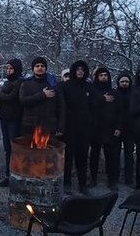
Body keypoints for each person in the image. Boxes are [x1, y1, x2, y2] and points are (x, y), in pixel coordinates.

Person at [58, 60, 93, 195]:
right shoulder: (64, 86)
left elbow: (94, 106)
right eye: (77, 69)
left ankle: (82, 184)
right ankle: (67, 183)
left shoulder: (89, 87)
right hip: (68, 128)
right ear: (73, 70)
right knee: (67, 158)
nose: (80, 71)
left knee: (82, 158)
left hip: (84, 129)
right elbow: (60, 106)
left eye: (82, 69)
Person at [0, 58, 24, 187]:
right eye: (7, 68)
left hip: (14, 119)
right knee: (7, 148)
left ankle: (16, 175)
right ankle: (8, 175)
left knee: (14, 149)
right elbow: (2, 100)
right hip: (4, 117)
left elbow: (11, 98)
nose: (8, 71)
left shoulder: (20, 82)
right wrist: (0, 96)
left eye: (11, 68)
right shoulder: (7, 82)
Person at [90, 67, 120, 191]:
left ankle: (111, 180)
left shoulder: (114, 93)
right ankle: (92, 178)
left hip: (110, 128)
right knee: (94, 155)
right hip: (95, 127)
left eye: (105, 75)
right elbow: (87, 105)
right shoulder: (92, 91)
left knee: (110, 155)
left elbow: (120, 112)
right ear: (97, 77)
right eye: (101, 75)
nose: (103, 77)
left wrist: (118, 127)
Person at [19, 57, 62, 136]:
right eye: (37, 66)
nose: (40, 68)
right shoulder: (26, 84)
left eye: (42, 66)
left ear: (45, 68)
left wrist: (59, 125)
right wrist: (43, 95)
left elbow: (59, 106)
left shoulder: (53, 85)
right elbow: (23, 101)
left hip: (48, 125)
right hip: (30, 125)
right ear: (33, 69)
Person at [115, 71, 134, 186]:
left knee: (129, 155)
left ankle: (129, 179)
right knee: (115, 155)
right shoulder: (115, 93)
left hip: (131, 129)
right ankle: (115, 178)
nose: (124, 83)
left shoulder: (134, 94)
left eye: (127, 81)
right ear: (118, 82)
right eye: (122, 81)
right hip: (117, 129)